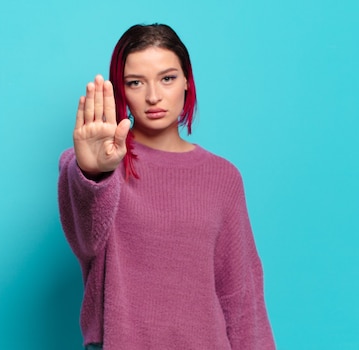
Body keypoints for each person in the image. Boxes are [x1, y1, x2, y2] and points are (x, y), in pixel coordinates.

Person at [58, 23, 275, 349]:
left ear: (187, 80)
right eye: (135, 82)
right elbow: (86, 242)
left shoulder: (223, 177)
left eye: (167, 78)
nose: (153, 96)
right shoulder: (90, 166)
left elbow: (241, 293)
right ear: (121, 89)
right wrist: (95, 174)